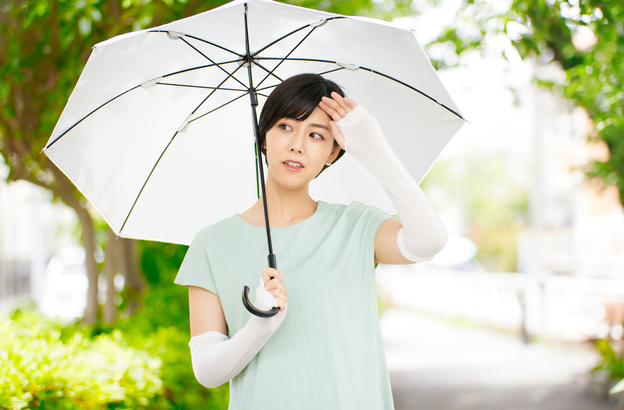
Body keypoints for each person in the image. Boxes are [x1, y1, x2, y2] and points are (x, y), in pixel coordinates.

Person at [174, 73, 448, 409]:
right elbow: (206, 370)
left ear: (333, 152)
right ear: (264, 137)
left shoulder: (354, 226)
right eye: (285, 127)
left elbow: (429, 241)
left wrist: (372, 146)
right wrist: (258, 327)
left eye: (316, 135)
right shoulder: (212, 244)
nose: (297, 145)